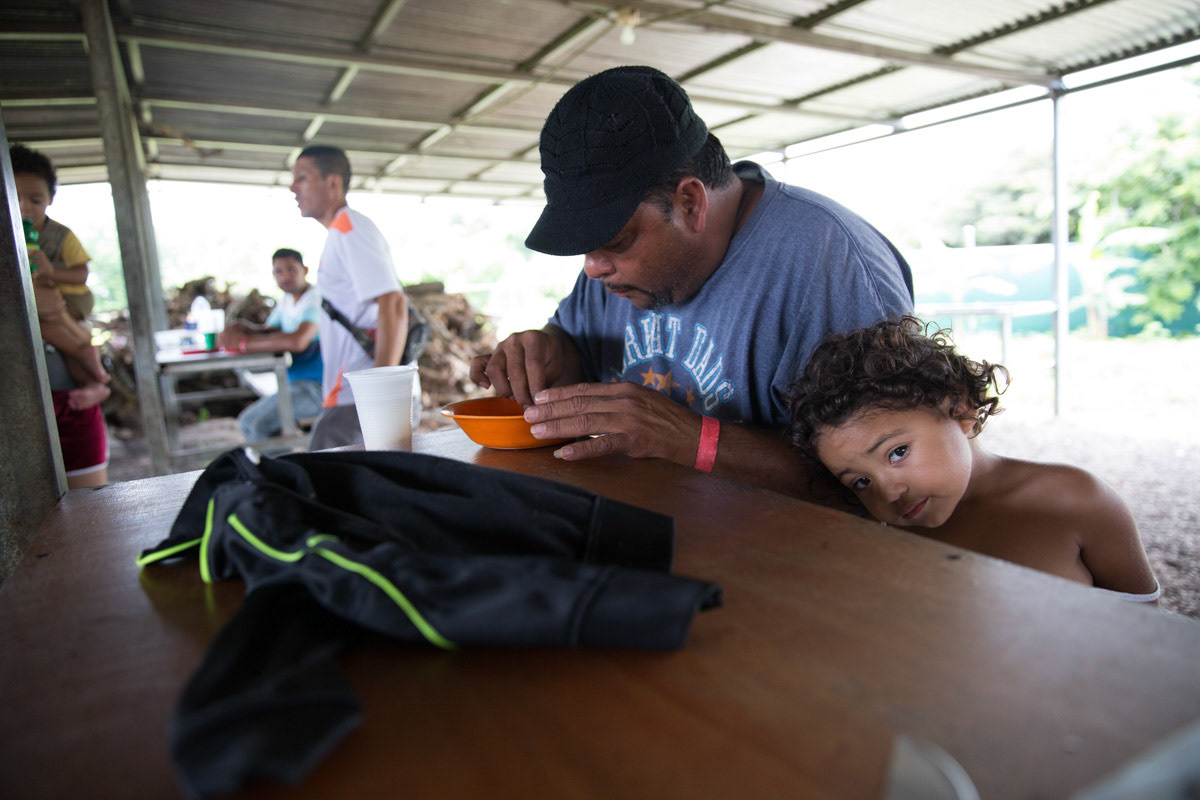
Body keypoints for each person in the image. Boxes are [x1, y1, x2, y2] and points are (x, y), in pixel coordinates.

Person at [469, 66, 914, 495]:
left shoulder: (831, 267)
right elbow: (575, 347)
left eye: (616, 241)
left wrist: (689, 438)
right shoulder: (614, 269)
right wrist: (547, 353)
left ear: (690, 203)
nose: (592, 268)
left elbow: (884, 485)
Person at [786, 316, 1160, 602]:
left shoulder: (1077, 500)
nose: (888, 491)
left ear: (962, 409)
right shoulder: (876, 536)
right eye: (860, 482)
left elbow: (1151, 634)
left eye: (897, 452)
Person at [289, 145, 414, 450]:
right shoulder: (340, 232)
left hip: (362, 397)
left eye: (302, 178)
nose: (293, 187)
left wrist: (379, 393)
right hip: (352, 396)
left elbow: (393, 303)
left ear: (333, 183)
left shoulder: (350, 227)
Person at [12, 143, 110, 488]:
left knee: (74, 339)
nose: (24, 207)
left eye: (35, 200)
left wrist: (51, 273)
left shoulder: (60, 236)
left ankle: (96, 379)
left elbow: (81, 275)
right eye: (15, 197)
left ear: (50, 199)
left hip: (69, 305)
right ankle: (96, 379)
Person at [219, 248, 324, 442]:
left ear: (305, 270)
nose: (285, 276)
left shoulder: (315, 299)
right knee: (250, 423)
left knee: (257, 425)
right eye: (278, 271)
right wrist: (244, 328)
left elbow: (297, 341)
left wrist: (243, 343)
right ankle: (278, 468)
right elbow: (269, 331)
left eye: (291, 269)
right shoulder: (288, 301)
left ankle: (278, 471)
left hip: (318, 387)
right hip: (295, 384)